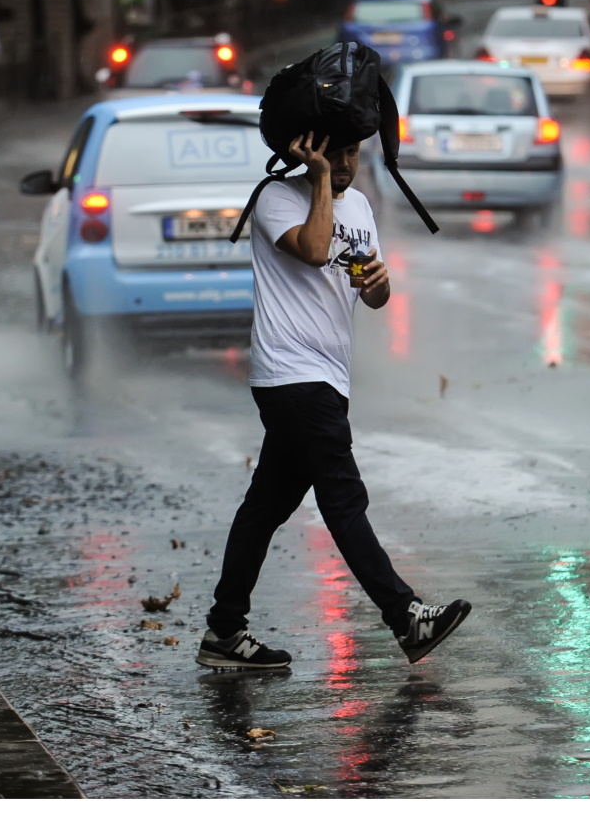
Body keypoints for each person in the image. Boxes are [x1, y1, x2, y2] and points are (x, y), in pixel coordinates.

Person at [198, 132, 472, 671]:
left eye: (350, 154)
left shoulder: (362, 206)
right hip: (290, 375)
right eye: (334, 154)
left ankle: (224, 631)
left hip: (327, 377)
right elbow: (316, 249)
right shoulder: (277, 199)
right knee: (344, 498)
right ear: (309, 152)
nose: (344, 163)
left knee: (265, 508)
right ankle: (406, 616)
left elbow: (368, 292)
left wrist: (379, 282)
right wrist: (320, 178)